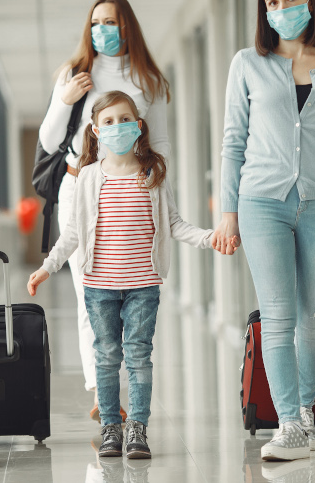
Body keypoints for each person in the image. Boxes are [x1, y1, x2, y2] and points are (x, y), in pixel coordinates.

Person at [213, 0, 315, 462]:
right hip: (261, 203)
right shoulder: (246, 64)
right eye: (272, 3)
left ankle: (305, 412)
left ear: (310, 2)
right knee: (276, 317)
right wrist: (229, 211)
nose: (281, 10)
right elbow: (233, 142)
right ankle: (291, 424)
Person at [27, 91, 215, 459]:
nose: (117, 127)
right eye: (109, 122)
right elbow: (73, 233)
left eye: (125, 119)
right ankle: (111, 425)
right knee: (107, 356)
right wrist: (48, 266)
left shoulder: (153, 173)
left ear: (138, 125)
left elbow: (174, 224)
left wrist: (210, 238)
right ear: (96, 131)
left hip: (143, 285)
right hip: (99, 287)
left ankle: (138, 430)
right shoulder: (88, 177)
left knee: (140, 356)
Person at [38, 0, 171, 423]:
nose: (102, 31)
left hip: (133, 192)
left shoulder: (149, 79)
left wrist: (163, 190)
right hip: (80, 185)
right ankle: (101, 392)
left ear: (126, 25)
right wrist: (65, 99)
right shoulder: (75, 72)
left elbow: (161, 142)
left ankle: (127, 384)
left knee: (135, 296)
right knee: (88, 297)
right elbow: (47, 138)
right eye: (95, 23)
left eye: (110, 22)